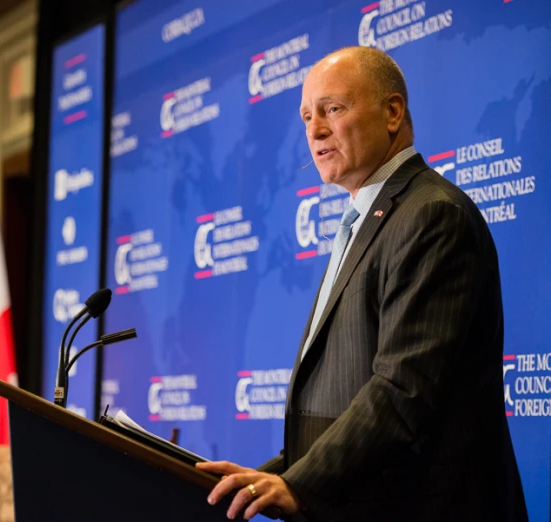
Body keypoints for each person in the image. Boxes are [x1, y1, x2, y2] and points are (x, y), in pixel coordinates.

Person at [196, 46, 527, 521]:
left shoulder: (432, 215)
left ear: (392, 112)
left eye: (333, 109)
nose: (315, 130)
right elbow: (344, 398)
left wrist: (301, 484)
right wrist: (268, 478)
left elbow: (403, 389)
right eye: (307, 115)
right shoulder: (367, 218)